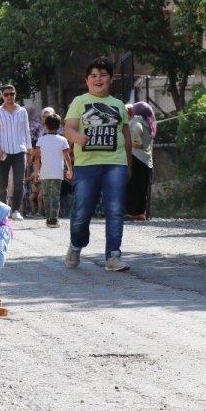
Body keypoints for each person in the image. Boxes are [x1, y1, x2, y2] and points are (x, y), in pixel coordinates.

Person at [62, 58, 132, 272]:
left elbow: (126, 136)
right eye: (93, 75)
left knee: (115, 210)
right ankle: (76, 245)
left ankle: (113, 256)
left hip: (115, 163)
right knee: (82, 211)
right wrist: (78, 138)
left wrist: (128, 165)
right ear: (87, 80)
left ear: (110, 79)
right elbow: (68, 129)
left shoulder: (119, 105)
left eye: (102, 75)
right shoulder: (79, 101)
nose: (98, 79)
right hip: (86, 165)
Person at [0, 83, 31, 220]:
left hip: (19, 150)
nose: (9, 96)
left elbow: (26, 131)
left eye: (11, 94)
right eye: (6, 94)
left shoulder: (22, 111)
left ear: (15, 95)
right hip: (3, 151)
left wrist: (29, 149)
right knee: (2, 185)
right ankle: (3, 211)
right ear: (2, 96)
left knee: (19, 182)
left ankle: (16, 210)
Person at [34, 113, 70, 227]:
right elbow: (67, 157)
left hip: (45, 172)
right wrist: (70, 169)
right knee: (55, 195)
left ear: (45, 126)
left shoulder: (41, 140)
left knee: (46, 195)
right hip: (57, 172)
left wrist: (36, 172)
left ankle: (48, 218)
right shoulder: (63, 140)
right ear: (59, 126)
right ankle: (53, 219)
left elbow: (37, 158)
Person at [126, 101, 156, 220]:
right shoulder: (149, 122)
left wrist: (126, 141)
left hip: (135, 157)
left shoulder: (137, 120)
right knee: (143, 187)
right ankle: (141, 212)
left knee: (132, 186)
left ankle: (131, 212)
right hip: (146, 160)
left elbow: (137, 143)